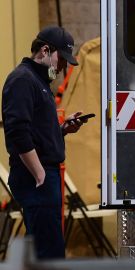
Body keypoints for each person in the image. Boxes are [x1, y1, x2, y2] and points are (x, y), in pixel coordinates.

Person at [2, 26, 87, 259]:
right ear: (45, 50)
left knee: (47, 251)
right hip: (35, 178)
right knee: (49, 254)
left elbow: (36, 131)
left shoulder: (38, 82)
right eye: (61, 60)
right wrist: (39, 174)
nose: (62, 68)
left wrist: (61, 130)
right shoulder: (22, 80)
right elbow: (17, 131)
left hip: (44, 176)